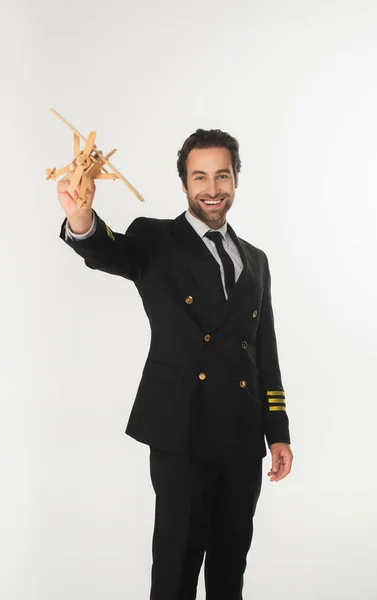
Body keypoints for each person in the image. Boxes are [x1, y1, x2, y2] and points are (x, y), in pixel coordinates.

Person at [57, 128, 293, 600]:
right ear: (183, 183)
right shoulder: (156, 239)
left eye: (221, 176)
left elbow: (263, 351)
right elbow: (108, 250)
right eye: (199, 177)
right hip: (181, 434)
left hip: (242, 439)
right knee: (175, 571)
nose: (211, 188)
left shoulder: (257, 260)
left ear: (236, 180)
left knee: (230, 570)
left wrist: (278, 431)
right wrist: (81, 217)